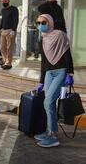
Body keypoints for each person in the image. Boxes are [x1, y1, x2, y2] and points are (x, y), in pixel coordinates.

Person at [34, 14, 74, 148]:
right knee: (48, 103)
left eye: (43, 22)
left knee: (48, 101)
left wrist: (70, 73)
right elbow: (44, 62)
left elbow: (67, 54)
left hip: (60, 72)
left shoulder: (60, 35)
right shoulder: (43, 39)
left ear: (50, 22)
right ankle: (50, 131)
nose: (40, 25)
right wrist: (41, 81)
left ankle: (53, 136)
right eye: (38, 22)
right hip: (49, 74)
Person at [0, 0, 19, 69]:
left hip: (10, 30)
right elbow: (3, 20)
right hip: (3, 30)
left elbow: (15, 20)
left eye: (5, 1)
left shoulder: (14, 9)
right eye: (2, 2)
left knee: (9, 48)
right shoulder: (3, 10)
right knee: (1, 47)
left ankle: (8, 63)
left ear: (8, 1)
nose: (4, 3)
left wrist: (14, 29)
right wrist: (0, 28)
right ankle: (5, 60)